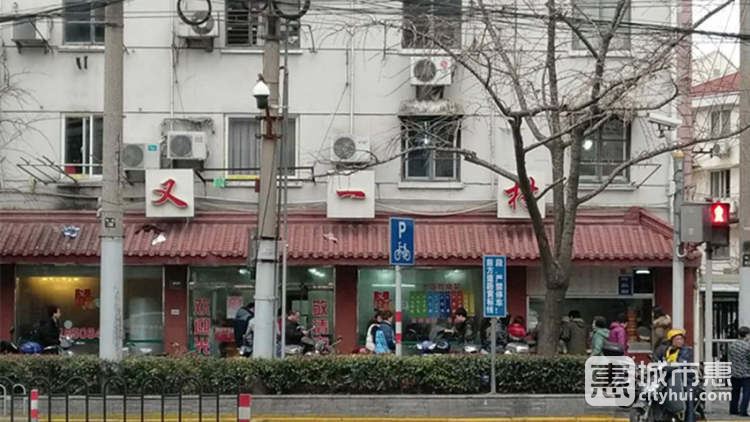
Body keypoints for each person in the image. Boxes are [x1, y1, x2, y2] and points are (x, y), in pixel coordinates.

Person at [655, 328, 695, 422]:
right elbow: (655, 359)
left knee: (688, 397)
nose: (680, 341)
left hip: (683, 379)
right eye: (677, 339)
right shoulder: (663, 349)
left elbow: (682, 363)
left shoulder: (686, 350)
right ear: (671, 340)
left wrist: (668, 367)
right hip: (665, 378)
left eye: (681, 339)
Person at [729, 326, 750, 416]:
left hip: (734, 372)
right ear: (746, 335)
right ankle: (743, 411)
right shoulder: (748, 346)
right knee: (746, 392)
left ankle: (733, 409)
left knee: (735, 392)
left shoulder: (732, 345)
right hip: (746, 373)